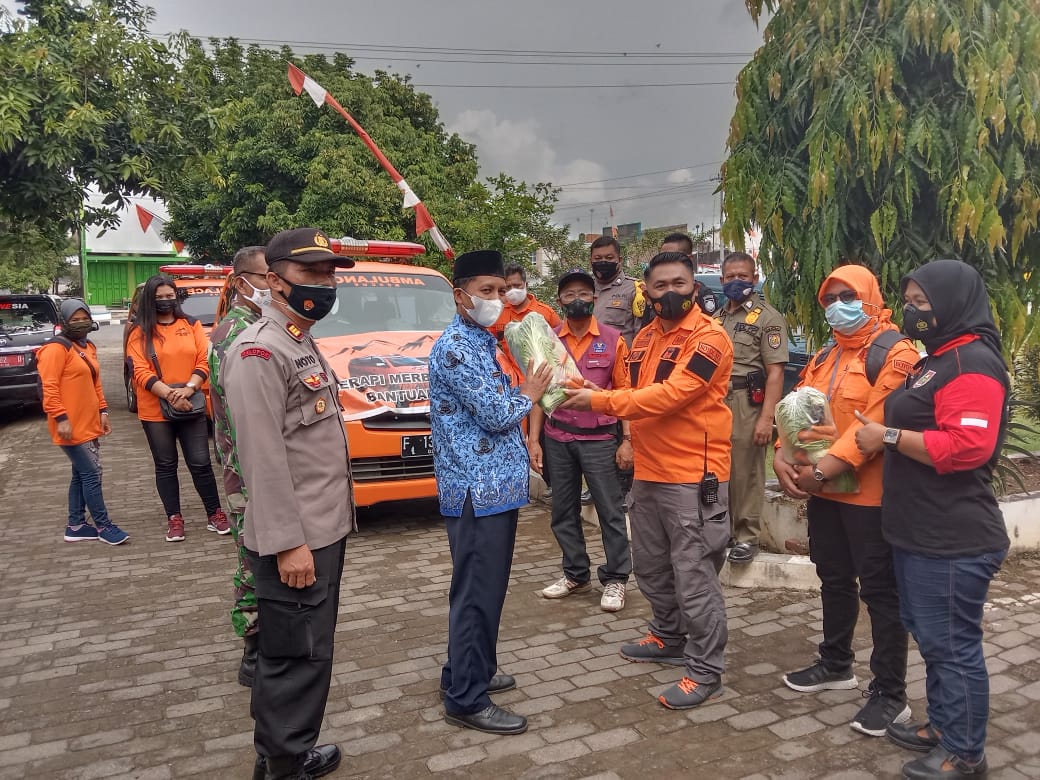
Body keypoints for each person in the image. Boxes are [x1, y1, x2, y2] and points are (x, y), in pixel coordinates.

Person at [854, 260, 1010, 780]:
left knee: (952, 647)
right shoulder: (938, 358)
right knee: (933, 637)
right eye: (909, 301)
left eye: (923, 303)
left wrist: (888, 437)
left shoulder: (972, 364)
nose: (912, 311)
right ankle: (944, 725)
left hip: (952, 537)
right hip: (920, 530)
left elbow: (967, 447)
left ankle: (965, 754)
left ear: (953, 303)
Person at [561, 251, 733, 710]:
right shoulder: (644, 339)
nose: (670, 292)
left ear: (694, 288)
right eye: (660, 286)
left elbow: (673, 395)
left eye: (679, 283)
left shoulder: (709, 338)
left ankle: (705, 670)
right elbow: (633, 394)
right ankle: (667, 635)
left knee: (694, 576)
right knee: (652, 566)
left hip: (693, 476)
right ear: (647, 292)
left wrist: (598, 404)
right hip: (649, 472)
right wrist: (595, 392)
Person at [222, 228, 354, 780]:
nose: (324, 283)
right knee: (293, 657)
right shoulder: (259, 350)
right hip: (296, 538)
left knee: (307, 651)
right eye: (310, 273)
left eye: (329, 273)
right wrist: (287, 544)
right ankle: (282, 765)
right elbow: (262, 459)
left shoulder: (299, 339)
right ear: (275, 281)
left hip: (321, 528)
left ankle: (287, 751)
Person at [773, 265, 919, 737]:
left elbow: (872, 424)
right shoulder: (825, 354)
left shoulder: (896, 354)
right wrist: (780, 455)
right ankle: (835, 663)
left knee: (880, 592)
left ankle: (891, 694)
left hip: (871, 495)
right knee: (833, 576)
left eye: (848, 296)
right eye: (830, 298)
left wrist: (820, 473)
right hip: (827, 492)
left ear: (871, 296)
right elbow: (795, 411)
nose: (838, 305)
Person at [430, 249, 553, 736]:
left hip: (495, 487)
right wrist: (532, 391)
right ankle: (466, 698)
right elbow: (498, 414)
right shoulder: (457, 348)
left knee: (482, 590)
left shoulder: (482, 341)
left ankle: (466, 670)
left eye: (501, 291)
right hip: (476, 490)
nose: (497, 299)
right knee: (477, 594)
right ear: (460, 295)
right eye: (486, 291)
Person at [528, 268, 633, 612]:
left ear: (595, 298)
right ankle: (575, 573)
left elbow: (626, 394)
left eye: (584, 294)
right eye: (570, 294)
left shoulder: (613, 339)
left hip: (600, 439)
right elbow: (539, 394)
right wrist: (534, 440)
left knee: (609, 511)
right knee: (562, 511)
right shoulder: (548, 341)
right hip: (558, 437)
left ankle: (616, 578)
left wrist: (627, 440)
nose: (577, 300)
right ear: (560, 300)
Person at [208, 245, 270, 688]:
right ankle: (252, 647)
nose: (272, 285)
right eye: (265, 277)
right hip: (245, 470)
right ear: (241, 281)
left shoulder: (262, 325)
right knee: (252, 555)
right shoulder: (236, 332)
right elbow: (242, 414)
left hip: (256, 465)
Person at [126, 275, 227, 543]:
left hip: (190, 403)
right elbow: (139, 371)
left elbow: (204, 360)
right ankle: (174, 518)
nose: (165, 301)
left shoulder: (191, 325)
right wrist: (172, 396)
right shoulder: (139, 332)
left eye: (169, 296)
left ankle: (215, 513)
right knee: (166, 464)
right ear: (150, 300)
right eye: (159, 297)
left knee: (201, 463)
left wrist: (190, 389)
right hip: (155, 410)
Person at [714, 252, 788, 563]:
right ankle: (723, 531)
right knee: (718, 468)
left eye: (742, 276)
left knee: (746, 471)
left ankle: (746, 536)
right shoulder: (716, 318)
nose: (736, 281)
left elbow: (776, 373)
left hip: (746, 401)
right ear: (722, 280)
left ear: (755, 279)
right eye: (730, 277)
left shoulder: (768, 318)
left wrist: (766, 419)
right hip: (715, 401)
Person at [37, 299, 128, 545]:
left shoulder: (87, 347)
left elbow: (95, 382)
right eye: (74, 320)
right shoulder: (55, 349)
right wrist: (61, 418)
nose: (80, 323)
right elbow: (49, 388)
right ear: (64, 322)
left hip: (89, 422)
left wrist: (103, 410)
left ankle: (75, 525)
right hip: (69, 425)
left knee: (80, 474)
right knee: (91, 473)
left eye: (84, 318)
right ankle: (103, 526)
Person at [590, 236, 640, 346]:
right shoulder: (585, 289)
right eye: (598, 258)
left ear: (620, 260)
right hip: (588, 355)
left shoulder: (635, 289)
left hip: (620, 355)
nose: (603, 262)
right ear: (591, 261)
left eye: (609, 258)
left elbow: (642, 333)